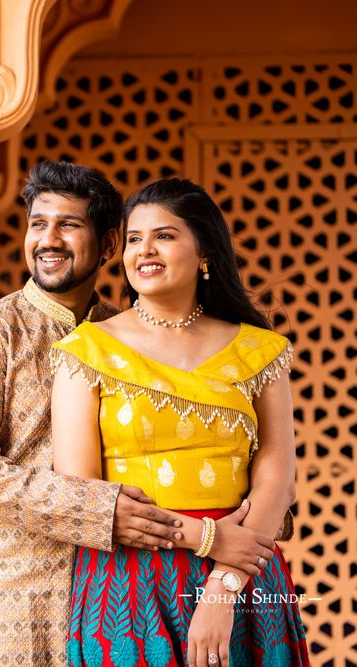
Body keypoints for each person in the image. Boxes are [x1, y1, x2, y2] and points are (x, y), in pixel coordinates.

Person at [0, 162, 273, 666]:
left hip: (117, 589)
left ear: (110, 245)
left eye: (68, 225)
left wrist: (246, 514)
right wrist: (102, 510)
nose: (48, 240)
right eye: (37, 224)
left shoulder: (126, 334)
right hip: (7, 597)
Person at [51, 178, 310, 666]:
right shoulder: (87, 352)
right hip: (128, 585)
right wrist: (209, 540)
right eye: (133, 239)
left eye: (165, 235)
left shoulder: (259, 349)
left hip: (245, 582)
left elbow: (278, 480)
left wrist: (225, 583)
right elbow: (82, 492)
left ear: (204, 251)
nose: (143, 250)